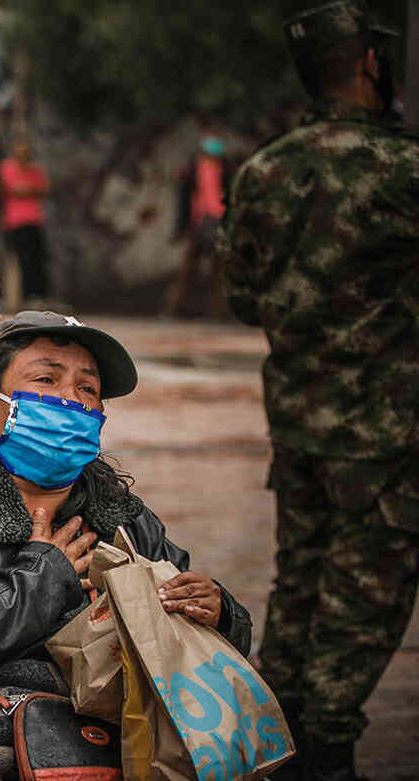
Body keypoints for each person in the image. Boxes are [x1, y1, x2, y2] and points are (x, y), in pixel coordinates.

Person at [0, 311, 253, 779]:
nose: (69, 399)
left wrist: (219, 613)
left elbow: (195, 645)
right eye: (46, 379)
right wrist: (43, 577)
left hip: (110, 727)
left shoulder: (118, 514)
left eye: (87, 388)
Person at [220, 3, 419, 780]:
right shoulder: (400, 168)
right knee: (367, 591)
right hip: (386, 431)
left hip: (298, 419)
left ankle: (281, 738)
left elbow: (242, 298)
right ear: (370, 62)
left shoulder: (264, 170)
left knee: (300, 577)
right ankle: (327, 751)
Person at [165, 131, 235, 318]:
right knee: (189, 269)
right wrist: (181, 226)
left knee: (218, 269)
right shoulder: (192, 171)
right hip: (199, 221)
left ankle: (217, 311)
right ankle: (177, 308)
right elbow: (184, 200)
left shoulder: (226, 170)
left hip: (218, 221)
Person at [0, 139, 52, 304]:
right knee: (22, 259)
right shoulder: (7, 167)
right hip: (15, 221)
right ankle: (24, 296)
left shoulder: (36, 171)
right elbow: (13, 188)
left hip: (34, 220)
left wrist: (26, 188)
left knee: (37, 259)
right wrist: (29, 189)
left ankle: (38, 294)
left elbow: (44, 188)